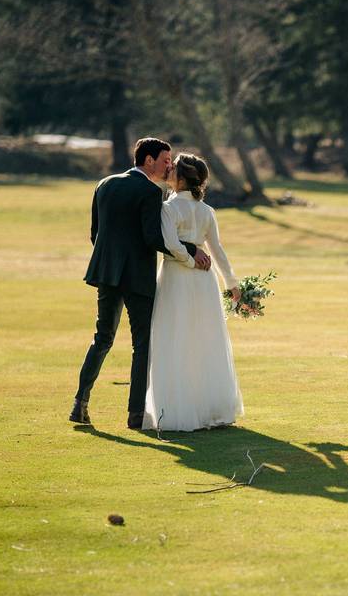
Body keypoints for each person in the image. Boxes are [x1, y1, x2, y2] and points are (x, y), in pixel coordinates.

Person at [70, 138, 212, 429]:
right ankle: (135, 415)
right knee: (142, 345)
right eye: (164, 160)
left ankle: (80, 403)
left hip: (106, 273)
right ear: (148, 161)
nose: (169, 165)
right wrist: (191, 249)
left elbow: (95, 234)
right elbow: (154, 238)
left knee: (102, 338)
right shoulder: (150, 191)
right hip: (137, 278)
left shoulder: (104, 184)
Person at [143, 153, 244, 431]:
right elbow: (217, 251)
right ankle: (205, 407)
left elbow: (171, 244)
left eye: (173, 167)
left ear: (183, 178)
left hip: (178, 275)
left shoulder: (169, 208)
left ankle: (179, 410)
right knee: (202, 339)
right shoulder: (206, 210)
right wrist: (231, 283)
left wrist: (189, 260)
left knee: (175, 338)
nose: (169, 169)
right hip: (204, 280)